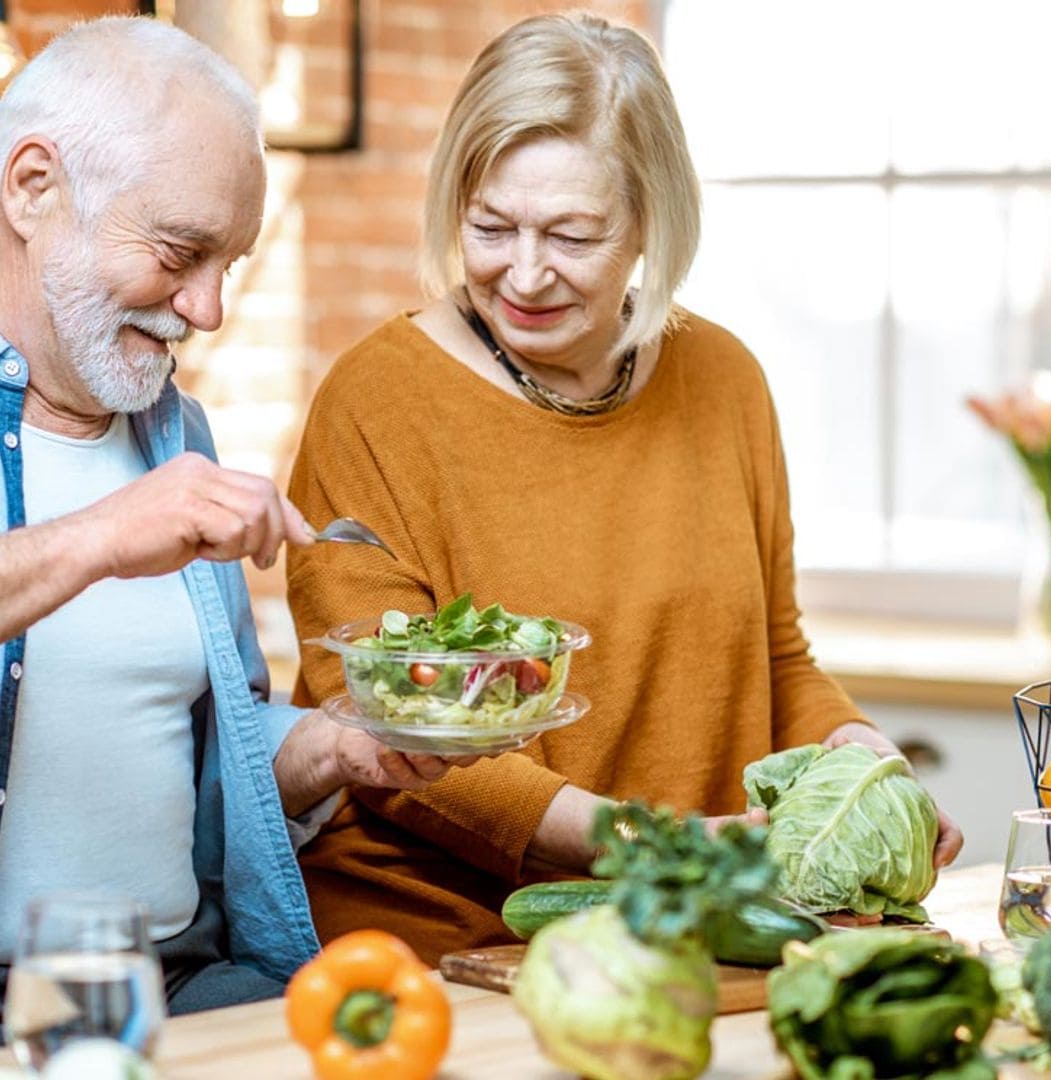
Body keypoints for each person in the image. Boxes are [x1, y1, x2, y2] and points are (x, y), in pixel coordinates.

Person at [286, 11, 964, 965]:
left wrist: (866, 765)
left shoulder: (725, 380)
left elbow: (776, 657)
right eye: (490, 226)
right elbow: (381, 730)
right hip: (450, 945)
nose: (523, 273)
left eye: (572, 234)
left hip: (690, 928)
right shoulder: (376, 402)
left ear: (651, 221)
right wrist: (652, 844)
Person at [0, 15, 474, 1015]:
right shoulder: (146, 498)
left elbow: (202, 744)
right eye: (181, 250)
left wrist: (342, 750)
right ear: (31, 185)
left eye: (233, 265)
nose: (207, 309)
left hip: (185, 987)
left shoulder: (177, 438)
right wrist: (101, 538)